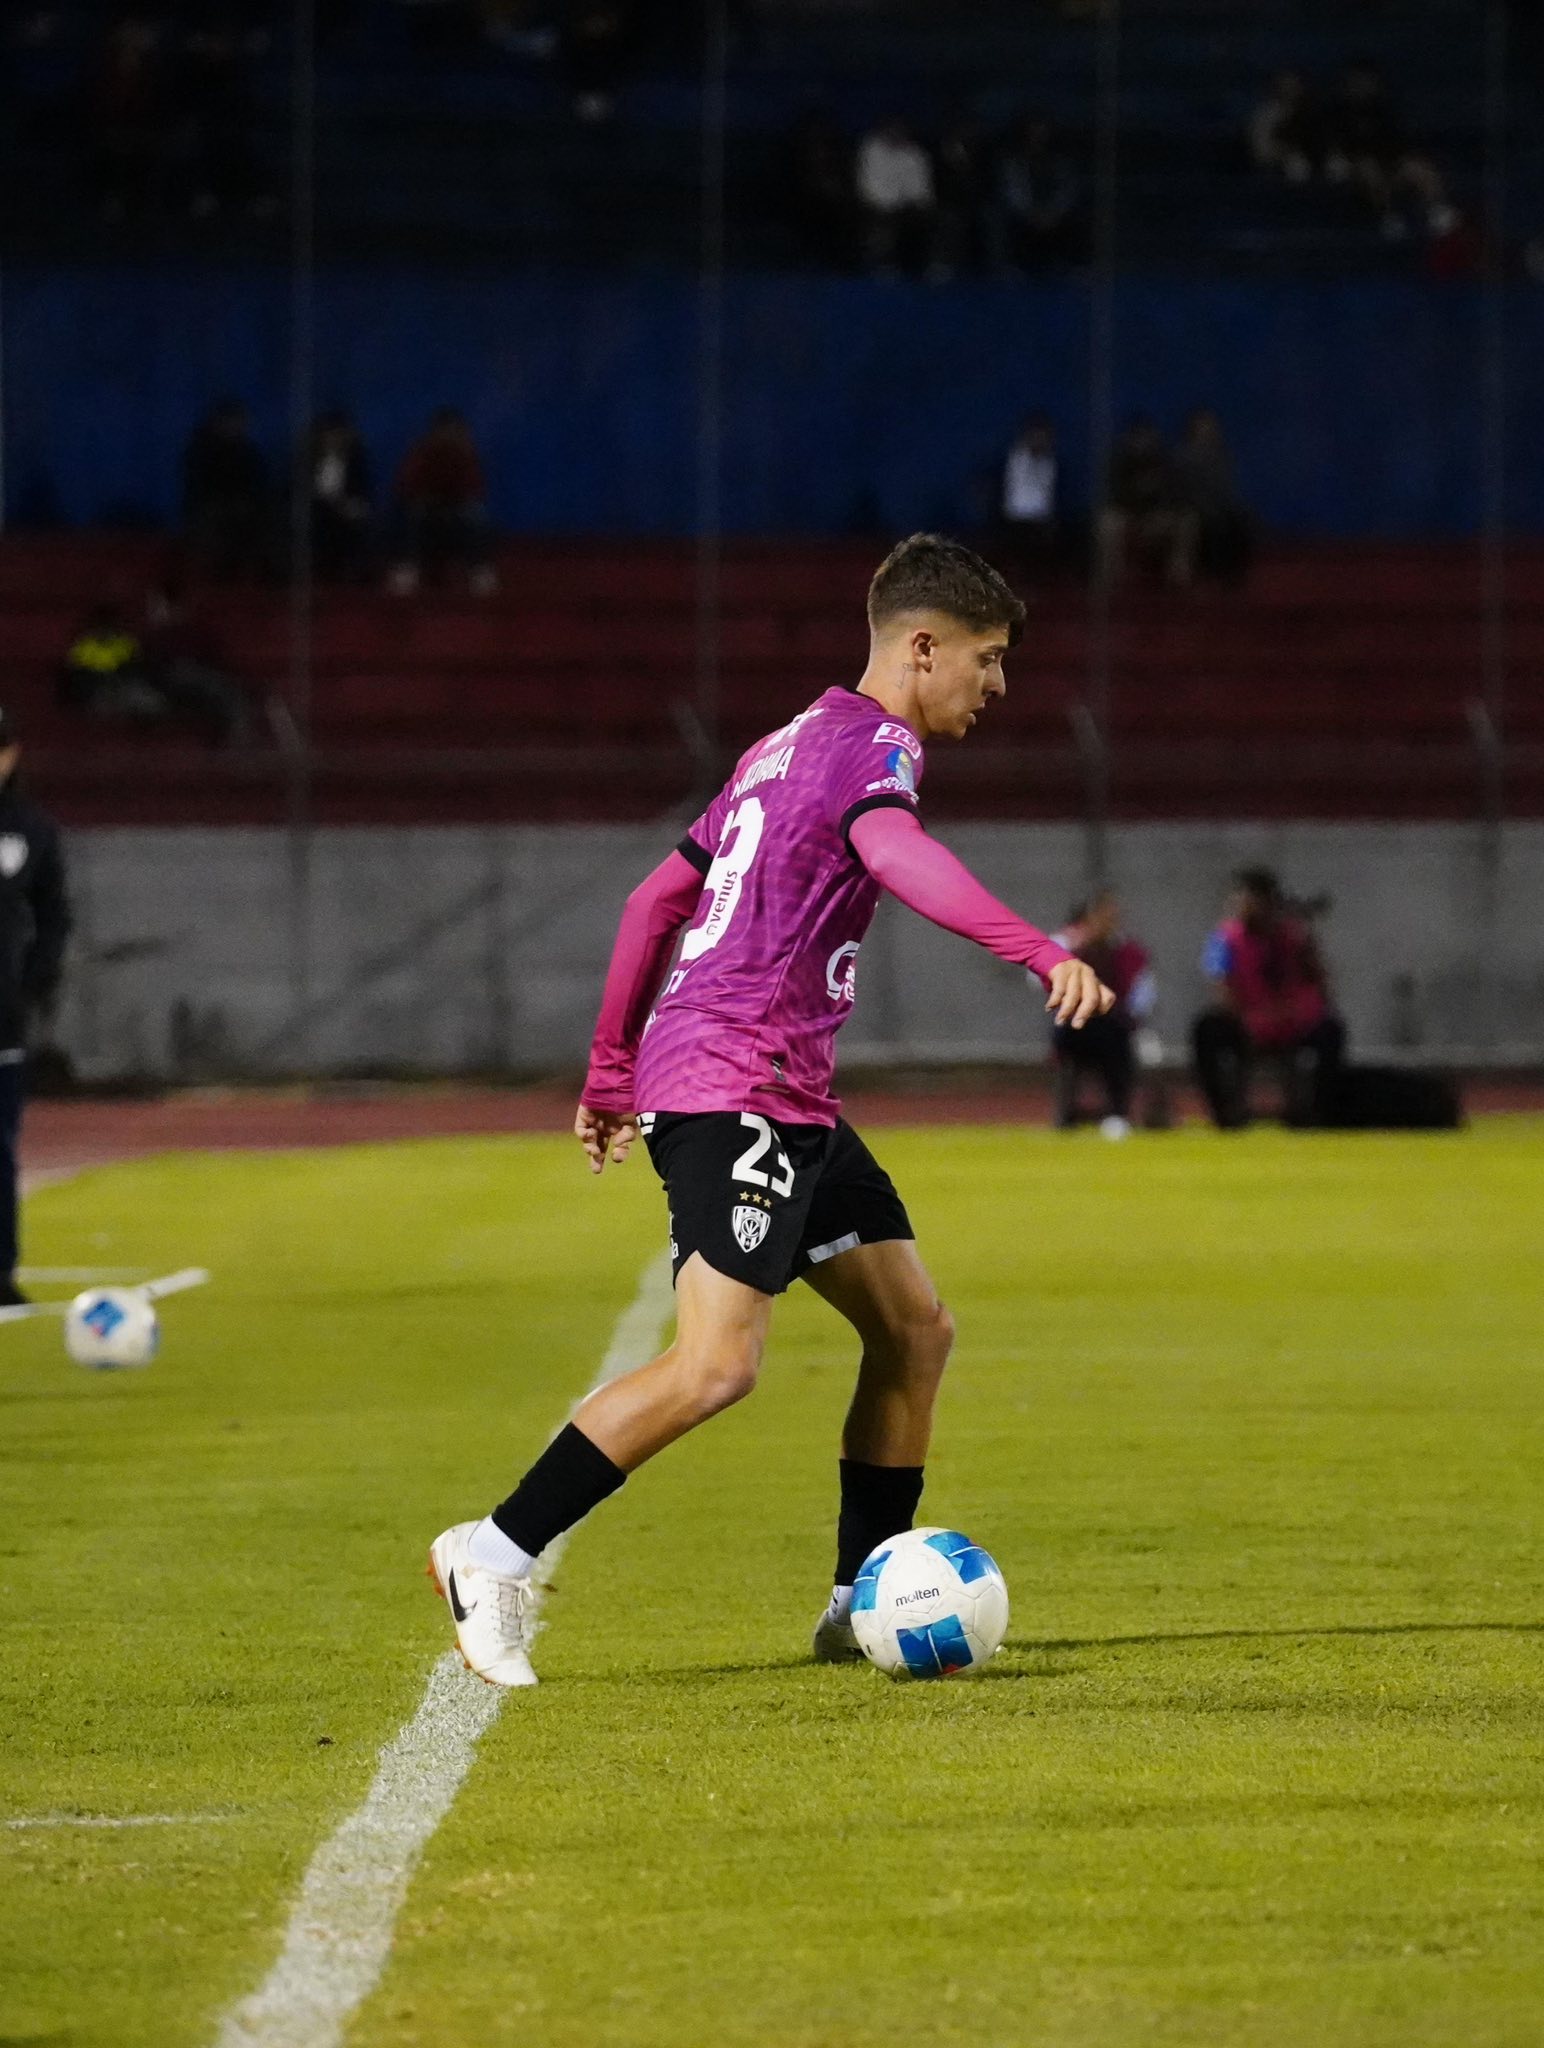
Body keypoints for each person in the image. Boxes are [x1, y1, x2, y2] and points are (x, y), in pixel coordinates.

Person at [426, 533, 1114, 1686]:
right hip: (734, 1079)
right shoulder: (874, 749)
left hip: (772, 1083)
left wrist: (606, 1069)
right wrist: (1035, 949)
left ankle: (858, 1599)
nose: (996, 687)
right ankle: (490, 1549)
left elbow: (657, 896)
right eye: (987, 660)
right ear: (923, 644)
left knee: (911, 1328)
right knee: (715, 1366)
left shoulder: (785, 741)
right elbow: (894, 853)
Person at [0, 710, 71, 1307]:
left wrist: (35, 981)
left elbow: (54, 914)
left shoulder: (31, 830)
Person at [1192, 868, 1344, 1130]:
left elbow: (1319, 983)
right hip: (1246, 1021)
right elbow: (1221, 986)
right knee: (1207, 1029)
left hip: (1291, 1021)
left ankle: (1316, 1115)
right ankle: (1226, 1115)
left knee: (1331, 1031)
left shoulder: (1293, 936)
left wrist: (1306, 943)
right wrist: (1249, 1019)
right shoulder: (1225, 938)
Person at [1045, 889, 1154, 1139]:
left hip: (1115, 1027)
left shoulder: (1129, 951)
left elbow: (1143, 994)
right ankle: (1069, 1113)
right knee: (1084, 1025)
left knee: (1113, 1030)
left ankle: (1117, 1111)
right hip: (1073, 1025)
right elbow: (1040, 977)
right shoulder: (1065, 944)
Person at [388, 408, 497, 595]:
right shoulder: (421, 451)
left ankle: (478, 569)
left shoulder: (466, 453)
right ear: (434, 431)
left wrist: (457, 499)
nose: (449, 435)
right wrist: (426, 498)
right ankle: (408, 568)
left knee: (476, 515)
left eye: (454, 430)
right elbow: (406, 484)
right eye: (444, 430)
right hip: (426, 504)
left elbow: (475, 488)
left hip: (456, 505)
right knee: (413, 513)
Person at [182, 400, 275, 583]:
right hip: (211, 507)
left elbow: (258, 483)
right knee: (218, 522)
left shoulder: (249, 452)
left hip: (244, 507)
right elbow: (197, 485)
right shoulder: (201, 450)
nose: (236, 427)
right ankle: (219, 574)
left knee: (264, 518)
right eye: (231, 421)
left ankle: (265, 574)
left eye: (239, 422)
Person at [1098, 418, 1195, 588]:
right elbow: (1114, 497)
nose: (1142, 444)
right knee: (1108, 521)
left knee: (1188, 520)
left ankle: (1178, 573)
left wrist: (1158, 513)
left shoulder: (1163, 464)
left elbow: (1172, 498)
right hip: (1127, 514)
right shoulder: (1120, 464)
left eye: (1146, 439)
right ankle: (1112, 575)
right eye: (1138, 439)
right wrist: (1138, 494)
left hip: (1156, 517)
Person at [1173, 410, 1253, 588]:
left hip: (1217, 505)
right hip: (1192, 506)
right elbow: (1181, 490)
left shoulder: (1221, 456)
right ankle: (1216, 572)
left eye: (1210, 427)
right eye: (1202, 426)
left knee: (1240, 518)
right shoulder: (1182, 456)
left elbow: (1224, 487)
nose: (1207, 431)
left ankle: (1235, 574)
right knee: (1214, 522)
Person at [57, 604, 166, 726]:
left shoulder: (126, 643)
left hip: (124, 687)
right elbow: (75, 675)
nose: (104, 631)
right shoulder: (84, 646)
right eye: (100, 626)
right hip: (98, 691)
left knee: (148, 700)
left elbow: (138, 668)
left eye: (107, 626)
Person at [854, 117, 937, 275]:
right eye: (893, 129)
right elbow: (869, 186)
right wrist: (890, 205)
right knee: (883, 221)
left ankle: (931, 267)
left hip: (906, 205)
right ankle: (883, 265)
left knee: (931, 218)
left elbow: (920, 189)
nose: (897, 134)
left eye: (902, 130)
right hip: (875, 203)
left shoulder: (916, 154)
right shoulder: (871, 149)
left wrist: (916, 204)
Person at [305, 411, 375, 583]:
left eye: (339, 434)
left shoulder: (356, 461)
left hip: (347, 508)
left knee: (357, 517)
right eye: (330, 434)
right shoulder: (308, 460)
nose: (335, 439)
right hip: (317, 508)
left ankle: (353, 572)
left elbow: (362, 489)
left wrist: (350, 504)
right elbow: (301, 489)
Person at [999, 413, 1063, 577]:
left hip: (1041, 519)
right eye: (1037, 435)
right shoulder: (1017, 457)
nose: (1041, 440)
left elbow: (1046, 496)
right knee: (1022, 540)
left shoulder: (1049, 461)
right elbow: (1017, 495)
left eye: (1044, 436)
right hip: (1017, 517)